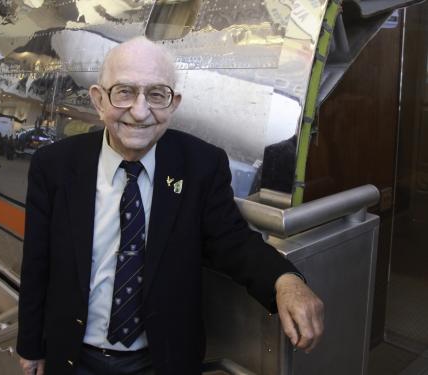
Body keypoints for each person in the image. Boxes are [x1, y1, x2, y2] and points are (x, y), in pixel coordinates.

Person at [16, 37, 324, 375]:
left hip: (162, 360)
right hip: (75, 358)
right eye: (124, 92)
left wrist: (285, 280)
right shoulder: (55, 166)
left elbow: (232, 241)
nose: (140, 110)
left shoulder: (201, 165)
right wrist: (31, 346)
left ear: (174, 104)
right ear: (99, 100)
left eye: (156, 94)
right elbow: (36, 263)